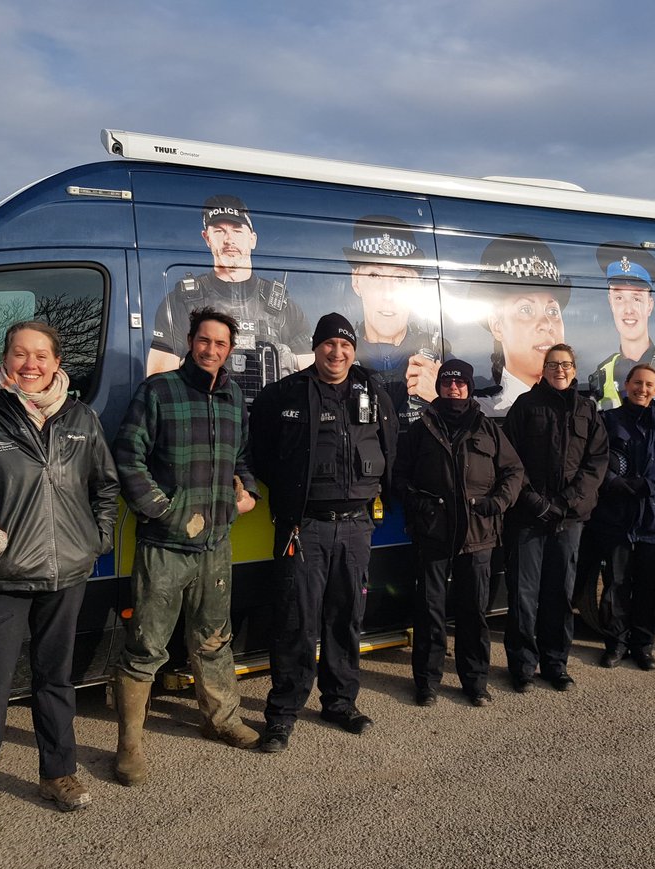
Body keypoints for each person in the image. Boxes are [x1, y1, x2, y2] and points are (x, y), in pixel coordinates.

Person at [0, 321, 120, 853]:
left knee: (56, 680)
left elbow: (104, 486)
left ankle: (58, 773)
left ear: (59, 363)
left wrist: (96, 540)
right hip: (2, 577)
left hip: (66, 575)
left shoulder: (81, 418)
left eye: (41, 355)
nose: (30, 364)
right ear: (5, 359)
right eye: (19, 354)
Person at [110, 307, 261, 786]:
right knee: (146, 646)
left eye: (220, 344)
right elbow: (127, 458)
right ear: (189, 341)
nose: (211, 349)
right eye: (204, 340)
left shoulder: (235, 397)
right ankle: (130, 744)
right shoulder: (158, 392)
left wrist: (249, 493)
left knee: (214, 640)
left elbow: (243, 456)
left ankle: (222, 719)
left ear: (229, 351)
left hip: (216, 544)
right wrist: (164, 510)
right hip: (164, 547)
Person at [249, 312, 398, 752]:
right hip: (305, 526)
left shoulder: (372, 389)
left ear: (354, 351)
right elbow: (261, 453)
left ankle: (340, 702)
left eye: (345, 346)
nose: (337, 353)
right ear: (315, 348)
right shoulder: (284, 394)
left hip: (356, 527)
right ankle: (282, 714)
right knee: (296, 622)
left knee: (345, 618)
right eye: (328, 345)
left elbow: (391, 446)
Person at [394, 359, 524, 707]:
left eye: (461, 384)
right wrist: (416, 503)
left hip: (477, 535)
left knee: (473, 613)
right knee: (429, 611)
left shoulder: (487, 427)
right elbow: (399, 476)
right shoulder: (421, 426)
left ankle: (476, 682)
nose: (454, 389)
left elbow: (514, 471)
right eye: (448, 383)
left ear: (469, 388)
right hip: (433, 533)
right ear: (439, 387)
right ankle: (427, 683)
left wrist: (498, 503)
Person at [502, 343, 608, 691]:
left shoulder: (587, 411)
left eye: (565, 364)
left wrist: (565, 502)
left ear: (574, 369)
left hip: (568, 520)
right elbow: (510, 460)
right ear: (543, 369)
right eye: (552, 364)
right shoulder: (525, 406)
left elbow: (596, 464)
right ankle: (521, 666)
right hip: (528, 518)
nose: (559, 370)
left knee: (559, 595)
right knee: (523, 595)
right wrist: (535, 501)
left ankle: (555, 664)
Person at [584, 363, 655, 670]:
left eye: (649, 385)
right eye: (637, 383)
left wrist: (651, 485)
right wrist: (613, 482)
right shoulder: (607, 421)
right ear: (626, 385)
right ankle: (616, 643)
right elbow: (595, 457)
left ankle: (643, 645)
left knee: (652, 586)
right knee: (615, 584)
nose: (642, 389)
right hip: (617, 515)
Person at [147, 194, 310, 398]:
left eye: (237, 230)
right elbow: (158, 386)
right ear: (207, 238)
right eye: (219, 231)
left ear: (253, 239)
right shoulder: (180, 303)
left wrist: (287, 361)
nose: (229, 239)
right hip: (207, 423)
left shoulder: (284, 306)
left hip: (269, 424)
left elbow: (312, 378)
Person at [344, 214, 446, 425]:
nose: (388, 294)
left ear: (416, 285)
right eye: (374, 276)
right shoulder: (336, 359)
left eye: (400, 278)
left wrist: (440, 399)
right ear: (356, 281)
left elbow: (472, 434)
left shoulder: (440, 362)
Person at [588, 243, 655, 412]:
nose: (628, 309)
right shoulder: (602, 375)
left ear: (650, 305)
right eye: (619, 298)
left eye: (636, 299)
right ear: (610, 303)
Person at [470, 233, 570, 415]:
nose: (546, 324)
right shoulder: (483, 411)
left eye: (553, 312)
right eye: (526, 310)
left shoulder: (581, 407)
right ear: (497, 326)